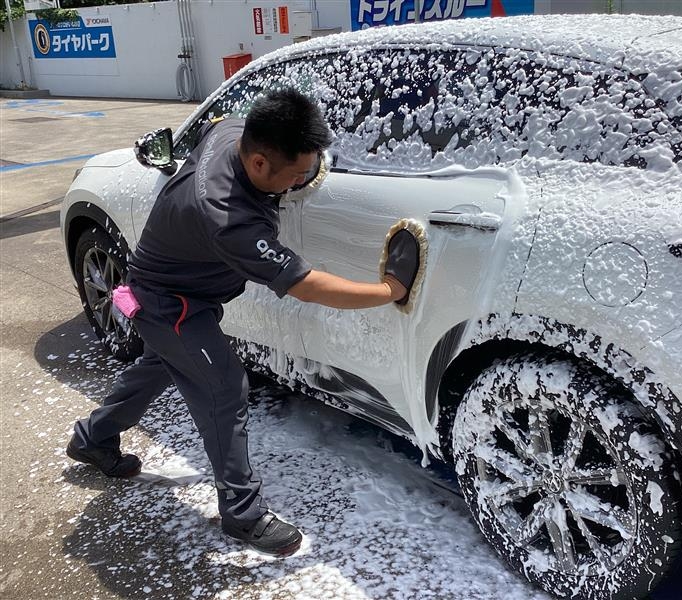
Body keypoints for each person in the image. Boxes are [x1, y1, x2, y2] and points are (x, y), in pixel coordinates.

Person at [66, 88, 419, 556]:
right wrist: (389, 291)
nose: (302, 181)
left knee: (160, 366)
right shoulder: (229, 219)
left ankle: (92, 439)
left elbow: (222, 127)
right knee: (224, 388)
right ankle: (241, 512)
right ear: (258, 163)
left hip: (167, 292)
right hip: (173, 307)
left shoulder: (230, 131)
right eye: (296, 175)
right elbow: (307, 285)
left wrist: (304, 169)